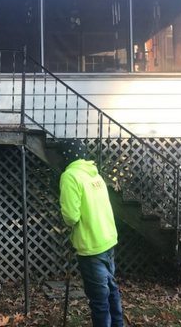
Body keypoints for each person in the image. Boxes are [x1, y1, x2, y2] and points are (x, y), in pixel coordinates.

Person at [59, 139, 124, 327]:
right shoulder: (94, 173)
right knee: (111, 290)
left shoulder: (70, 175)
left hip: (91, 245)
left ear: (65, 156)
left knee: (99, 300)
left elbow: (71, 216)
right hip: (107, 239)